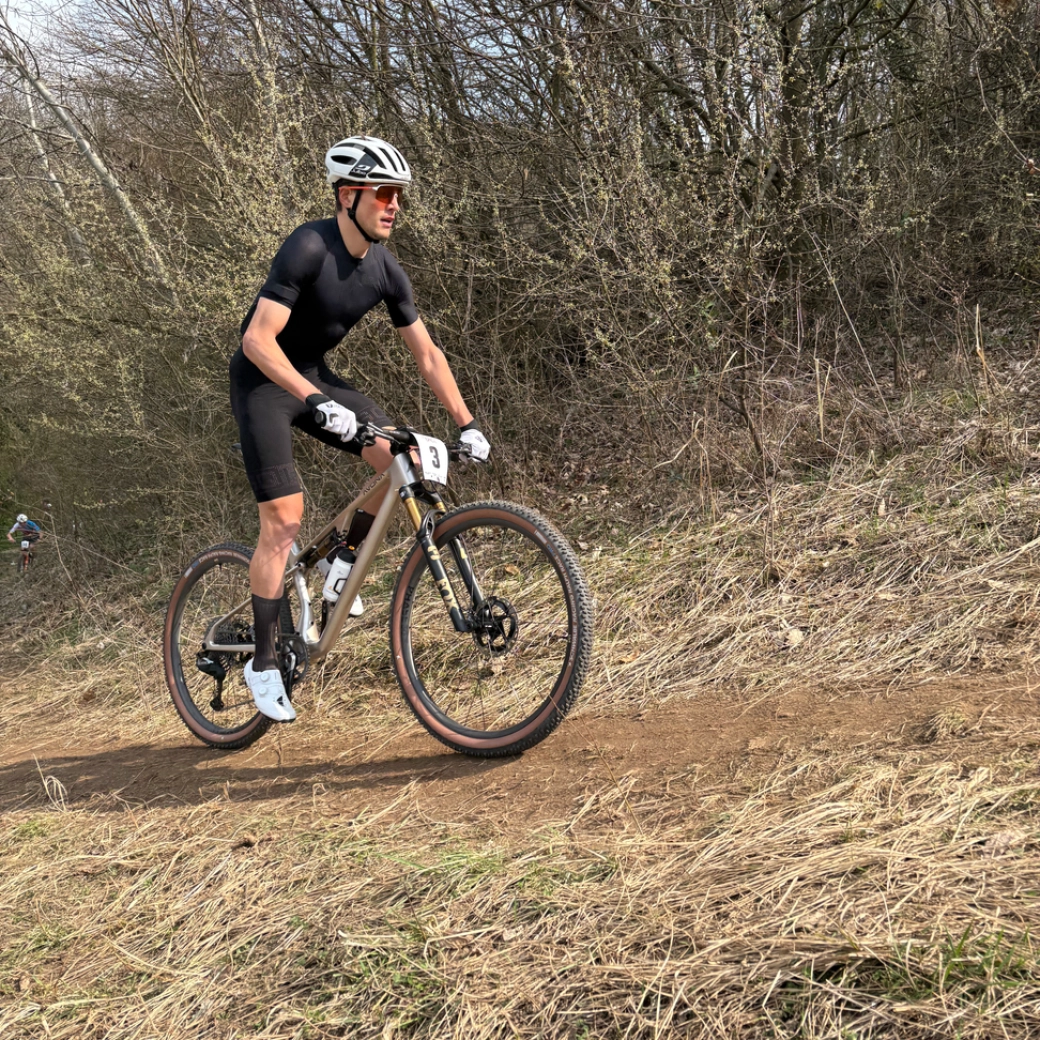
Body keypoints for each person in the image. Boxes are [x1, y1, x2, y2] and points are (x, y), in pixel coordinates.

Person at [231, 135, 490, 723]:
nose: (394, 205)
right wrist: (315, 399)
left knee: (406, 458)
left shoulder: (384, 268)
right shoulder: (308, 246)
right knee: (284, 521)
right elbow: (257, 340)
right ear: (349, 195)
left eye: (398, 195)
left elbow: (427, 354)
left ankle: (340, 559)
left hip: (315, 376)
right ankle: (263, 662)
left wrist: (466, 422)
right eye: (384, 194)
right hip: (263, 383)